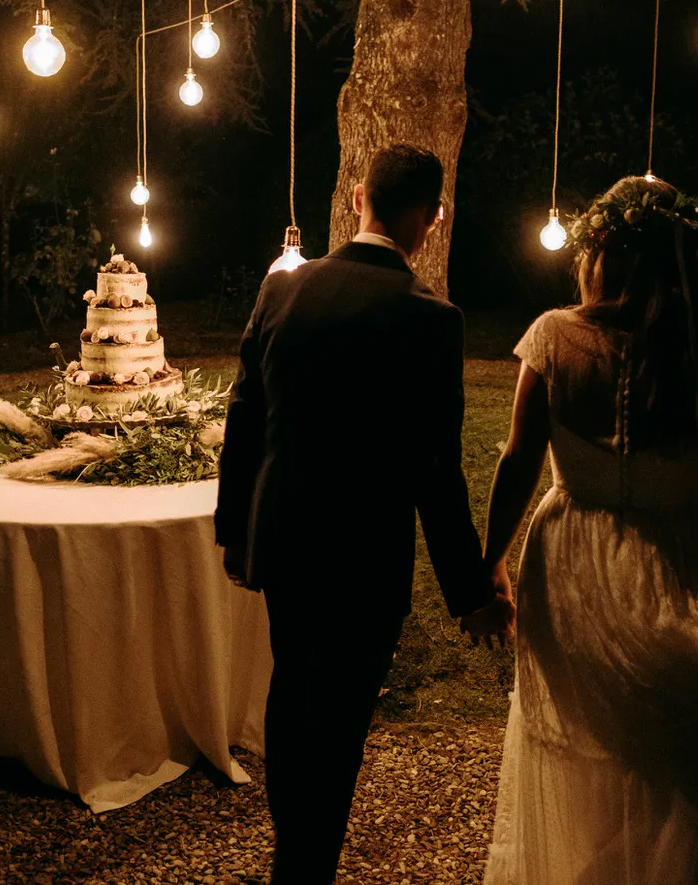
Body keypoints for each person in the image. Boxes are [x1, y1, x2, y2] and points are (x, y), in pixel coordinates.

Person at [481, 176, 698, 884]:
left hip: (565, 563)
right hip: (672, 563)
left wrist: (491, 560)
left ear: (598, 250)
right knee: (685, 760)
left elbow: (519, 458)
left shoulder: (553, 338)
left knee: (586, 749)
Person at [216, 144, 515, 884]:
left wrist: (234, 529)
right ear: (431, 218)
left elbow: (243, 417)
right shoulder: (432, 320)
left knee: (291, 692)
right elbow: (435, 469)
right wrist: (471, 592)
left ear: (358, 198)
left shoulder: (282, 291)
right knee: (341, 717)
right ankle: (305, 866)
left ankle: (296, 851)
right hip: (363, 557)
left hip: (284, 538)